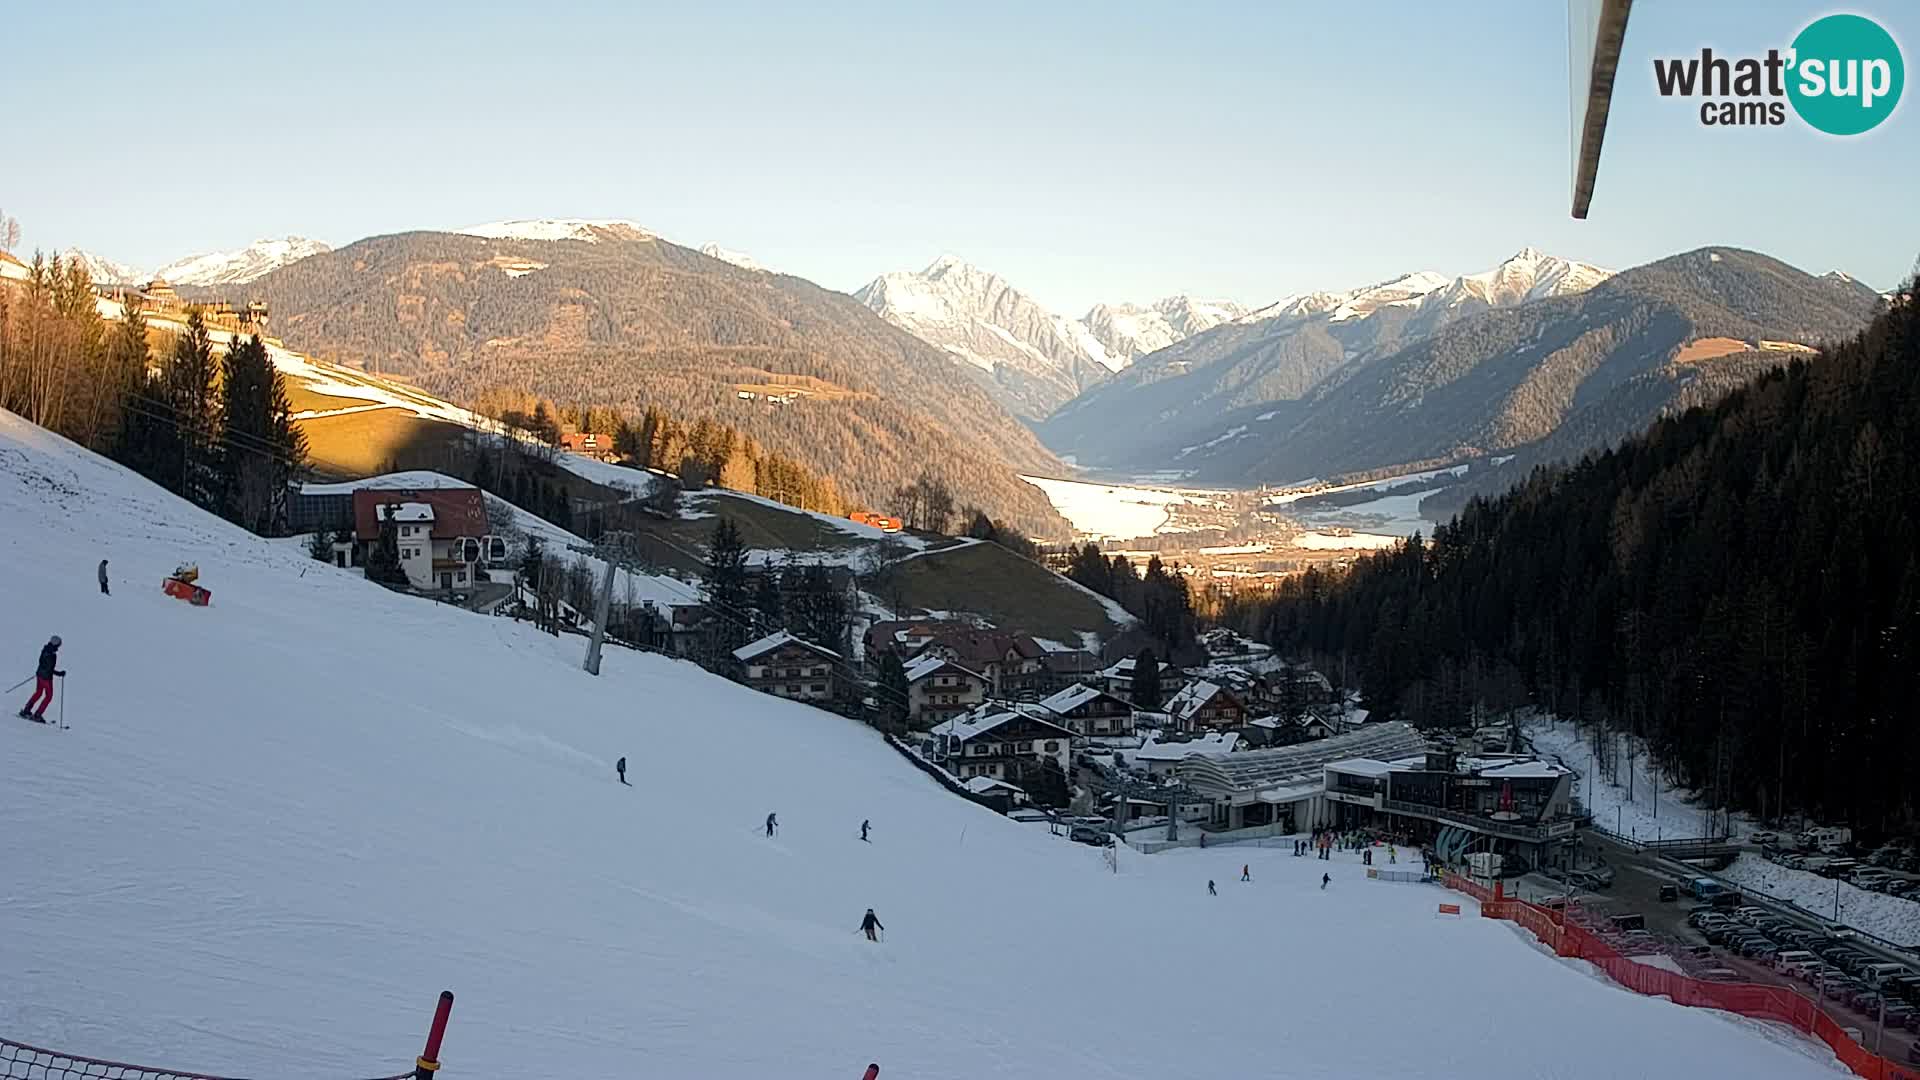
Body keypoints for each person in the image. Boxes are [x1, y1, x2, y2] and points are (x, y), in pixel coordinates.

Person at [18, 636, 63, 723]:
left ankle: (26, 709)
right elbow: (50, 669)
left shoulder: (45, 649)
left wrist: (41, 671)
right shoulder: (53, 655)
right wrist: (59, 673)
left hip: (39, 675)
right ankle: (38, 715)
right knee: (48, 696)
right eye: (59, 644)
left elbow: (41, 662)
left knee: (38, 692)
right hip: (47, 678)